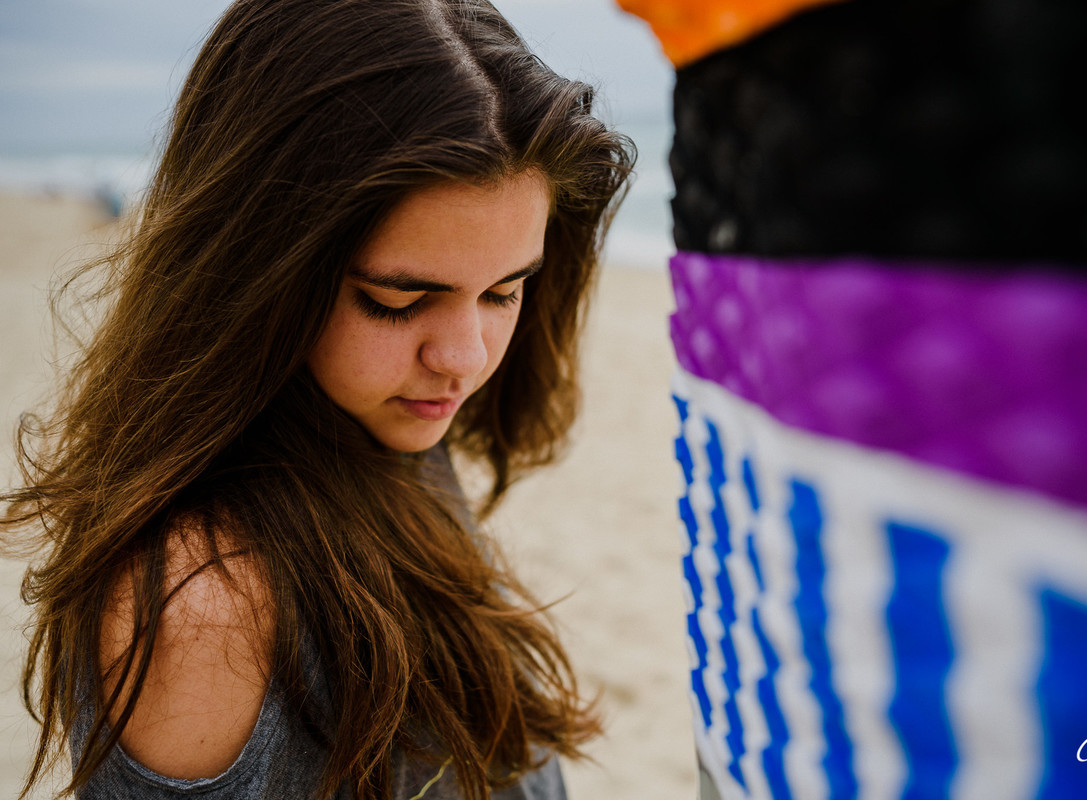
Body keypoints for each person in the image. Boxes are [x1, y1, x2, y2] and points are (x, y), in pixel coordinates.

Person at [0, 0, 633, 797]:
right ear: (259, 267)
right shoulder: (206, 597)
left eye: (505, 291)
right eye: (398, 302)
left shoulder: (376, 422)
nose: (464, 359)